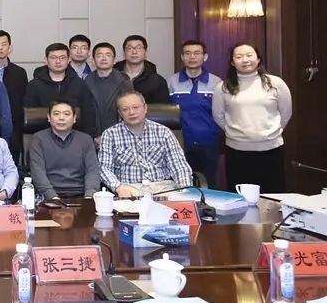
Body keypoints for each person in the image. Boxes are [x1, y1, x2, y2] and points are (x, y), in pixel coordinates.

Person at [212, 43, 292, 192]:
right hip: (237, 151)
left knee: (272, 195)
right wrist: (236, 133)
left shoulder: (276, 83)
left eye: (249, 55)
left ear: (258, 59)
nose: (245, 60)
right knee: (241, 196)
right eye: (239, 56)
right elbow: (218, 115)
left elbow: (286, 112)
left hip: (271, 150)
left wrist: (270, 132)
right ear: (232, 62)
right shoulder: (223, 87)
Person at [98, 91, 193, 197]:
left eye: (135, 107)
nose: (131, 112)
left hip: (164, 188)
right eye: (125, 109)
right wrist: (118, 187)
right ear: (120, 113)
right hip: (129, 190)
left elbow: (179, 165)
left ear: (145, 108)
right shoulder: (110, 135)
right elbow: (104, 168)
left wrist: (185, 191)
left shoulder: (163, 132)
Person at [167, 40, 223, 187]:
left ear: (205, 57)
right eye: (187, 53)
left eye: (197, 53)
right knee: (182, 186)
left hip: (209, 143)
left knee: (208, 185)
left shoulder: (216, 82)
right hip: (180, 144)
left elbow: (222, 113)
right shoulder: (172, 82)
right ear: (182, 57)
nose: (192, 57)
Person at [28, 100, 101, 199]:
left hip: (81, 195)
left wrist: (89, 197)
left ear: (74, 118)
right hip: (48, 197)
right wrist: (53, 197)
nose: (61, 118)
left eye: (66, 114)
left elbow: (92, 171)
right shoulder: (38, 139)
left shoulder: (85, 139)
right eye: (56, 114)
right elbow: (38, 173)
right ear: (49, 117)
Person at [24, 43, 99, 137]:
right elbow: (30, 115)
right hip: (43, 137)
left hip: (75, 136)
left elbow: (88, 114)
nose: (58, 61)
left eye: (62, 58)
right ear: (46, 60)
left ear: (68, 60)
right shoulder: (34, 85)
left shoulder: (79, 84)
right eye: (53, 57)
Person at [0, 31, 27, 161]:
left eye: (4, 44)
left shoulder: (19, 73)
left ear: (10, 48)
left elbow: (23, 102)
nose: (0, 48)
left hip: (14, 130)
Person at [84, 42, 133, 136]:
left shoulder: (124, 81)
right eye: (99, 55)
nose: (103, 58)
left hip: (119, 134)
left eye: (108, 55)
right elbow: (86, 114)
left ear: (114, 60)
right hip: (93, 136)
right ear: (93, 60)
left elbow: (128, 110)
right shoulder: (87, 82)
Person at [114, 35, 170, 104]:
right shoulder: (113, 77)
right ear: (124, 52)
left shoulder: (157, 81)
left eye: (139, 48)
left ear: (145, 52)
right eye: (129, 48)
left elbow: (162, 109)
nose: (134, 52)